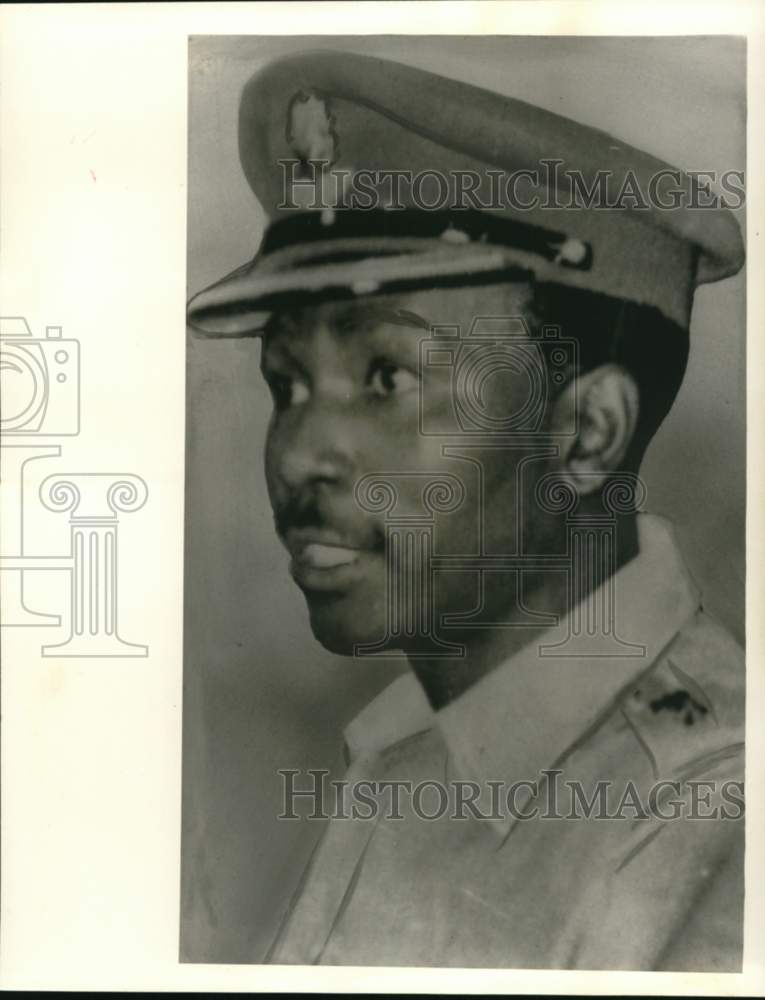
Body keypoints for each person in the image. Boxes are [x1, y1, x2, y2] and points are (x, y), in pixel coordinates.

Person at [187, 50, 745, 970]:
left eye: (386, 377)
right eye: (286, 384)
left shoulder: (712, 821)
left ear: (586, 434)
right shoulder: (408, 758)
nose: (296, 455)